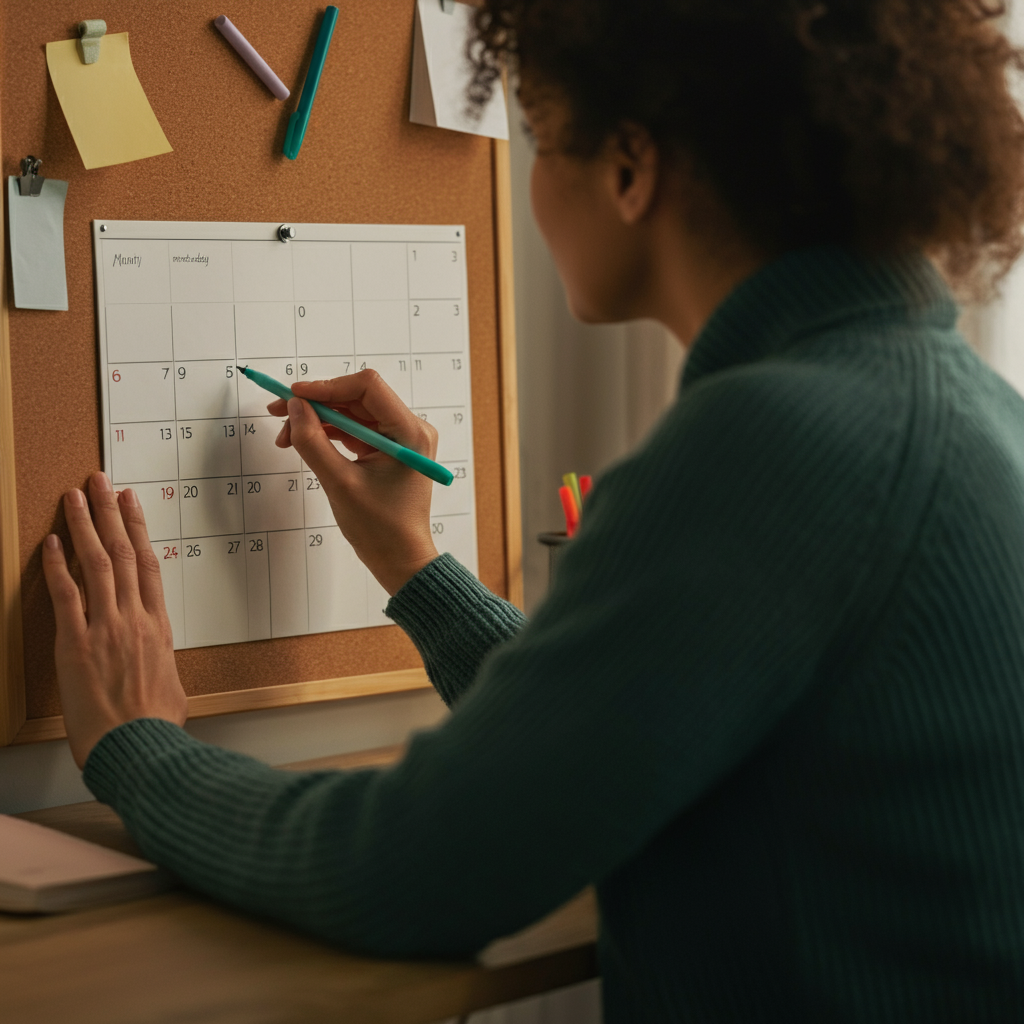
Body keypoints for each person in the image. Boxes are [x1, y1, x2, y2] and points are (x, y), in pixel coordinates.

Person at [42, 1, 1024, 1019]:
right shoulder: (964, 409)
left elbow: (404, 869)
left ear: (630, 167)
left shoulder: (772, 439)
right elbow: (623, 720)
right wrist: (417, 569)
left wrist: (136, 745)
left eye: (544, 143)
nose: (531, 184)